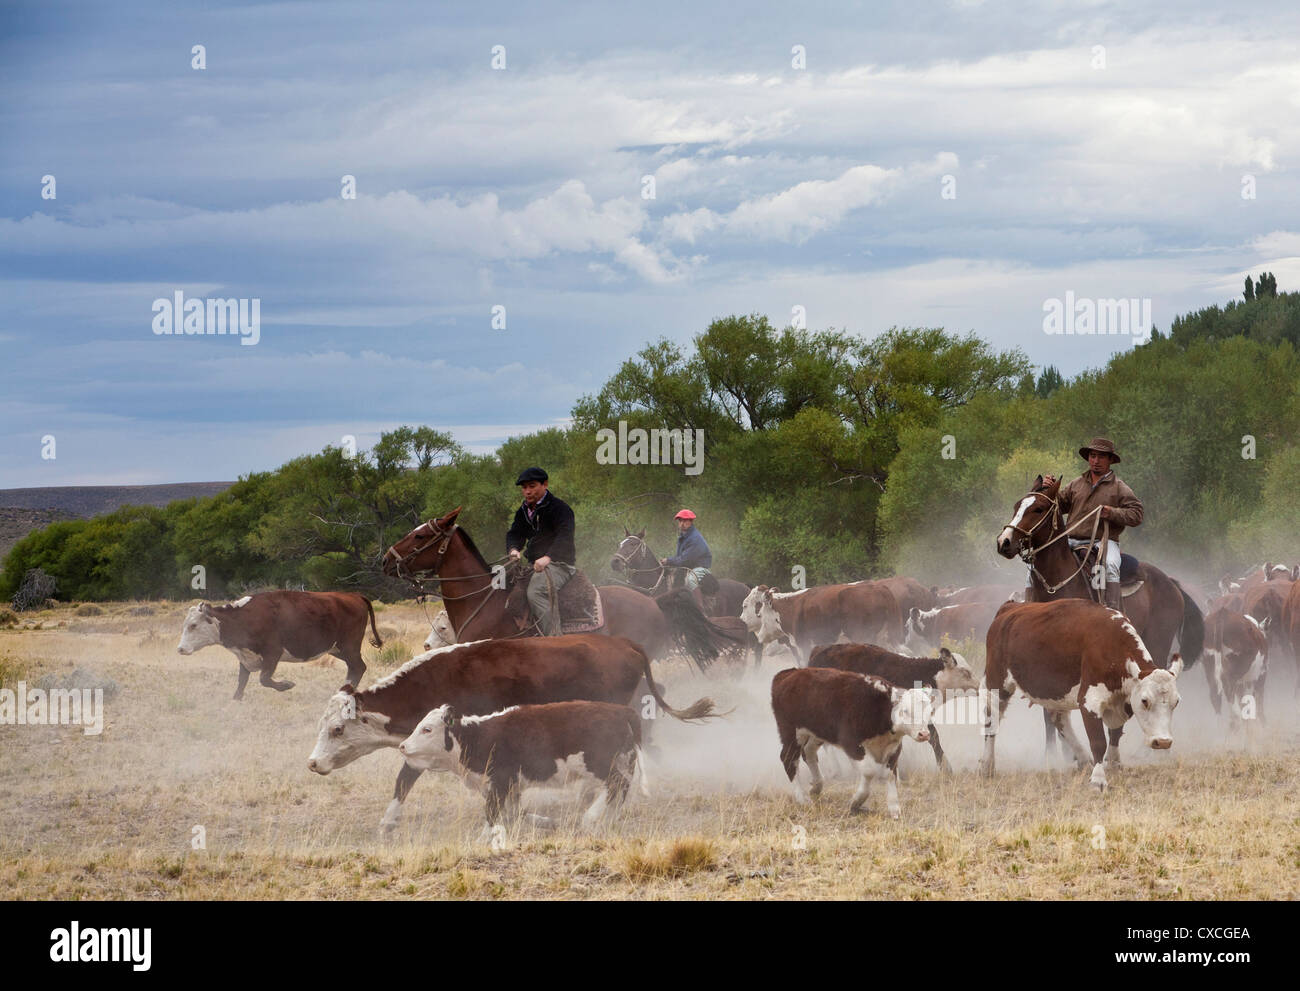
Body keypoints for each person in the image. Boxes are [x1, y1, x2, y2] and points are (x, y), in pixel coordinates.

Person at [1043, 437, 1143, 612]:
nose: (1096, 461)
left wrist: (1112, 513)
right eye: (1093, 456)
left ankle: (1112, 611)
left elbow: (1136, 514)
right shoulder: (1076, 484)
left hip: (1102, 542)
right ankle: (1031, 602)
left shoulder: (1120, 488)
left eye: (1101, 457)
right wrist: (1048, 490)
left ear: (1111, 460)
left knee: (1111, 565)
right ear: (1088, 457)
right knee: (1039, 559)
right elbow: (1059, 505)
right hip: (1070, 540)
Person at [506, 467, 576, 636]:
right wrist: (514, 549)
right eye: (524, 488)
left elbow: (565, 537)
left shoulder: (560, 508)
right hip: (534, 565)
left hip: (560, 564)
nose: (527, 492)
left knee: (536, 592)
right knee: (500, 583)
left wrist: (548, 558)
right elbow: (515, 533)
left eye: (532, 486)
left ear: (545, 484)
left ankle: (555, 640)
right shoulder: (523, 511)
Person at [661, 509, 712, 591]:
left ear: (691, 522)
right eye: (680, 521)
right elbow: (679, 557)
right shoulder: (683, 537)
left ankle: (696, 602)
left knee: (690, 581)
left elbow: (685, 560)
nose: (681, 523)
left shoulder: (695, 538)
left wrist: (668, 560)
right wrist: (667, 563)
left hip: (699, 568)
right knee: (669, 578)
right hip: (688, 567)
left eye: (685, 521)